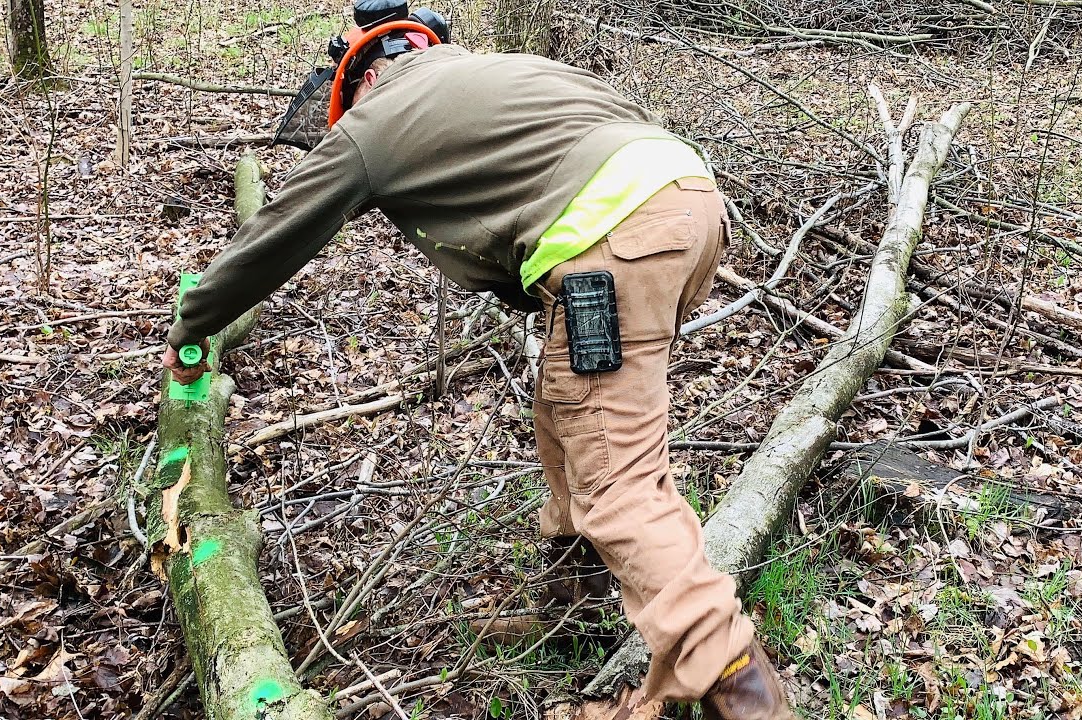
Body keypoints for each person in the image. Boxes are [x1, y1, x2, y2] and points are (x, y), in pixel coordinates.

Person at [161, 24, 793, 720]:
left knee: (616, 474)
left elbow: (276, 231)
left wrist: (193, 325)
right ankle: (576, 608)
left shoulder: (377, 119)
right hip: (690, 204)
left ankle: (743, 689)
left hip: (613, 240)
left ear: (363, 79)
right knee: (567, 411)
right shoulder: (505, 75)